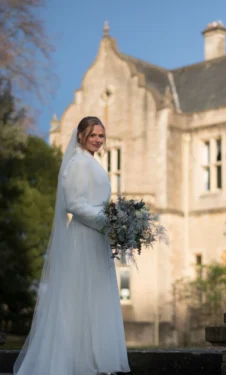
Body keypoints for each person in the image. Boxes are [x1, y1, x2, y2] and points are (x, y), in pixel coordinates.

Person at [14, 116, 130, 375]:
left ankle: (93, 358)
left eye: (101, 135)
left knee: (95, 297)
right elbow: (74, 204)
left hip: (96, 237)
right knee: (79, 298)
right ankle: (75, 362)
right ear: (80, 136)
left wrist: (114, 220)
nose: (98, 140)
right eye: (93, 135)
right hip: (84, 236)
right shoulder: (77, 163)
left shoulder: (92, 161)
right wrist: (109, 222)